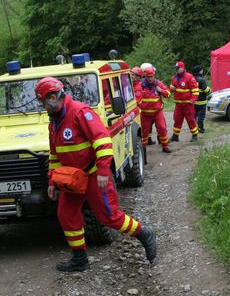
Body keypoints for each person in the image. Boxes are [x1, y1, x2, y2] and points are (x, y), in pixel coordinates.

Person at [35, 77, 157, 272]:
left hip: (93, 175)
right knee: (66, 214)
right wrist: (53, 181)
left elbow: (102, 140)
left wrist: (102, 171)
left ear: (52, 97)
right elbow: (55, 154)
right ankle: (80, 258)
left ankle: (145, 234)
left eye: (43, 102)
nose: (43, 107)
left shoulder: (80, 112)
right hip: (73, 179)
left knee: (109, 216)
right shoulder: (54, 122)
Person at [139, 67, 171, 153]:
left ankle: (165, 146)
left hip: (157, 112)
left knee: (162, 128)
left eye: (151, 76)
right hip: (145, 114)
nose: (150, 78)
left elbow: (168, 94)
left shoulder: (158, 84)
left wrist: (161, 91)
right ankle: (143, 149)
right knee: (144, 132)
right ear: (145, 76)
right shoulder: (140, 85)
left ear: (154, 75)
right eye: (148, 77)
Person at [170, 61, 200, 142]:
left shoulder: (190, 77)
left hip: (188, 104)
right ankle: (175, 136)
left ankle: (195, 135)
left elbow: (195, 91)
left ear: (183, 68)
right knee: (177, 120)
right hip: (178, 104)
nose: (176, 70)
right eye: (175, 69)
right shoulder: (175, 77)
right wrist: (171, 89)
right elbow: (172, 87)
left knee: (191, 120)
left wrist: (193, 100)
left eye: (177, 68)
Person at [192, 65, 211, 133]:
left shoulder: (192, 79)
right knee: (201, 116)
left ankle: (193, 128)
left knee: (194, 115)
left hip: (194, 102)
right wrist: (210, 90)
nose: (202, 71)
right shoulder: (201, 80)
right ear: (200, 71)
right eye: (202, 70)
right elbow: (205, 90)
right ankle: (201, 129)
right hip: (201, 102)